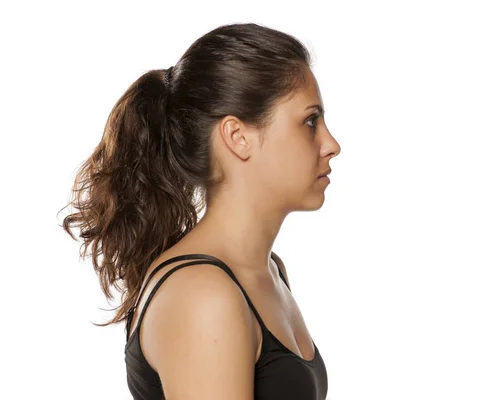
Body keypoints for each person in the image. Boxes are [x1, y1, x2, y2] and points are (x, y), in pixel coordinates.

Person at [61, 22, 340, 399]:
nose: (331, 144)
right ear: (238, 137)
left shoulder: (268, 271)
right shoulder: (204, 295)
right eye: (310, 121)